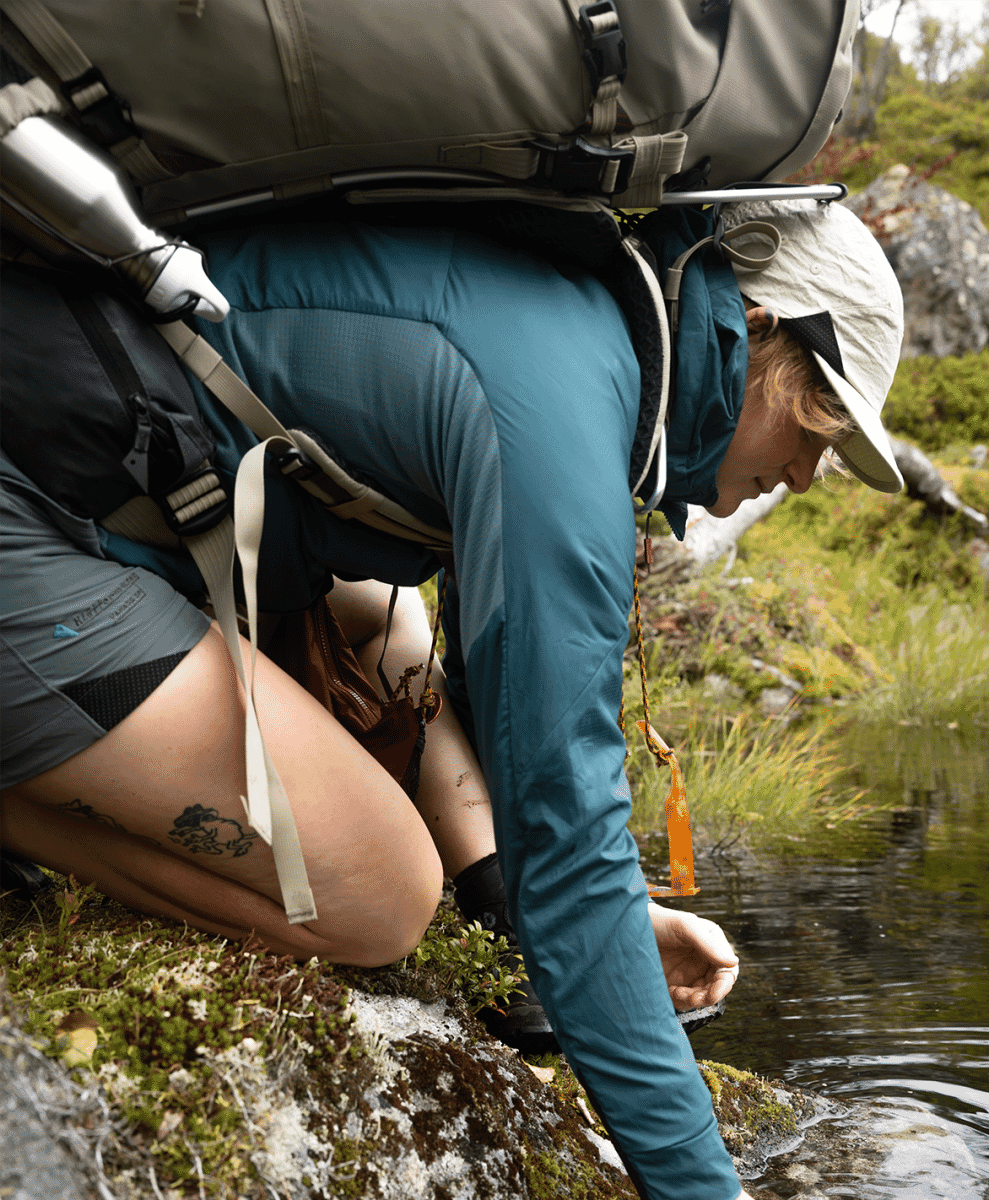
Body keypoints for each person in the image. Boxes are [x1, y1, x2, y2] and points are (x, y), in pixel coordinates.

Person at [0, 195, 903, 1200]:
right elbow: (568, 826)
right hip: (31, 515)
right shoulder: (561, 409)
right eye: (817, 419)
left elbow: (506, 707)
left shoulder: (577, 330)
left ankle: (489, 908)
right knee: (379, 895)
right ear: (755, 326)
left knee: (393, 635)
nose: (812, 473)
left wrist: (604, 921)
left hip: (118, 485)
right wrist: (701, 1187)